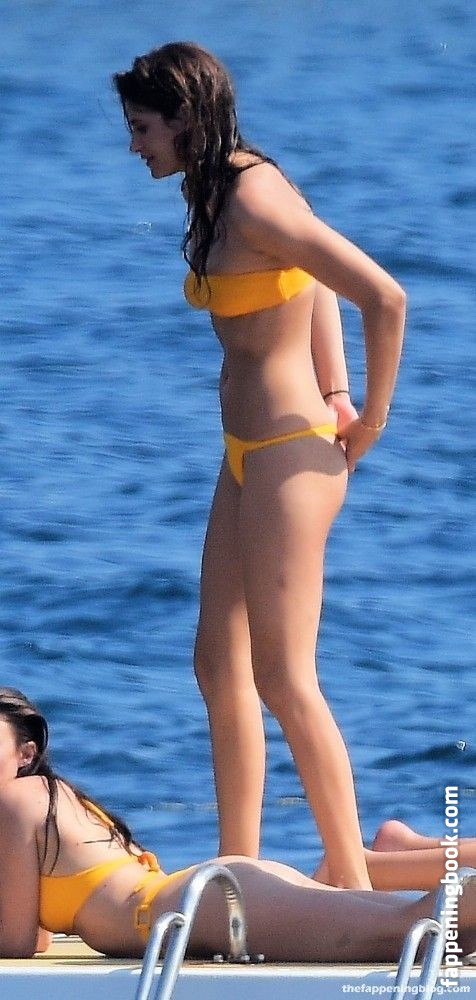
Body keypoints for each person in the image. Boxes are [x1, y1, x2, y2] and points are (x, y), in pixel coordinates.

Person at [112, 41, 407, 890]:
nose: (134, 146)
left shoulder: (253, 196)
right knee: (218, 663)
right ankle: (238, 869)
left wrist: (366, 416)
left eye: (143, 128)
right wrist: (339, 385)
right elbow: (312, 282)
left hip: (290, 453)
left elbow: (383, 295)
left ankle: (353, 887)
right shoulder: (215, 188)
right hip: (245, 455)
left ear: (185, 118)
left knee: (284, 675)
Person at [0, 688, 475, 962]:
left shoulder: (17, 800)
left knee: (410, 931)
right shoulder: (48, 797)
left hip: (207, 906)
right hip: (217, 895)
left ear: (27, 753)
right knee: (439, 935)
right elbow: (36, 934)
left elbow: (15, 943)